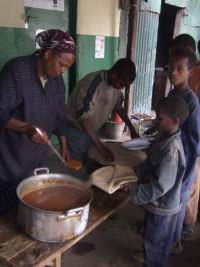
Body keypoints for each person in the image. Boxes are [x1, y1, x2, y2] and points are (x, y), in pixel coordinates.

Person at [0, 29, 76, 215]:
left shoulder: (57, 81)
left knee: (30, 209)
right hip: (10, 160)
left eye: (67, 67)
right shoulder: (18, 71)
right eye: (61, 65)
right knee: (8, 214)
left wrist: (64, 144)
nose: (62, 71)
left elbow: (60, 116)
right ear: (48, 54)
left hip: (37, 160)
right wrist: (26, 128)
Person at [125, 96, 189, 267]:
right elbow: (150, 162)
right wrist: (134, 172)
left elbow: (161, 185)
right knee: (151, 236)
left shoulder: (171, 152)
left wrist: (134, 191)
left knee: (156, 245)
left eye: (159, 118)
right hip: (156, 204)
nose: (155, 121)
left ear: (175, 121)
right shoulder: (164, 136)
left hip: (163, 206)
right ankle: (149, 257)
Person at [65, 58, 139, 166]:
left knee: (89, 161)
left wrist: (132, 129)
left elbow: (118, 107)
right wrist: (100, 147)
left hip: (89, 130)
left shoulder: (116, 87)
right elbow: (83, 117)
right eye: (121, 83)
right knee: (77, 165)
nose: (121, 87)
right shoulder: (93, 83)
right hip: (74, 128)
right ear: (114, 74)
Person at [168, 49, 200, 251]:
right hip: (171, 159)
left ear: (190, 72)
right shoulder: (172, 93)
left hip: (183, 163)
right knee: (170, 200)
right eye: (171, 67)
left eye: (180, 68)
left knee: (179, 200)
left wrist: (173, 136)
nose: (173, 72)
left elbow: (195, 141)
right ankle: (168, 235)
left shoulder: (191, 102)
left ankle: (174, 242)